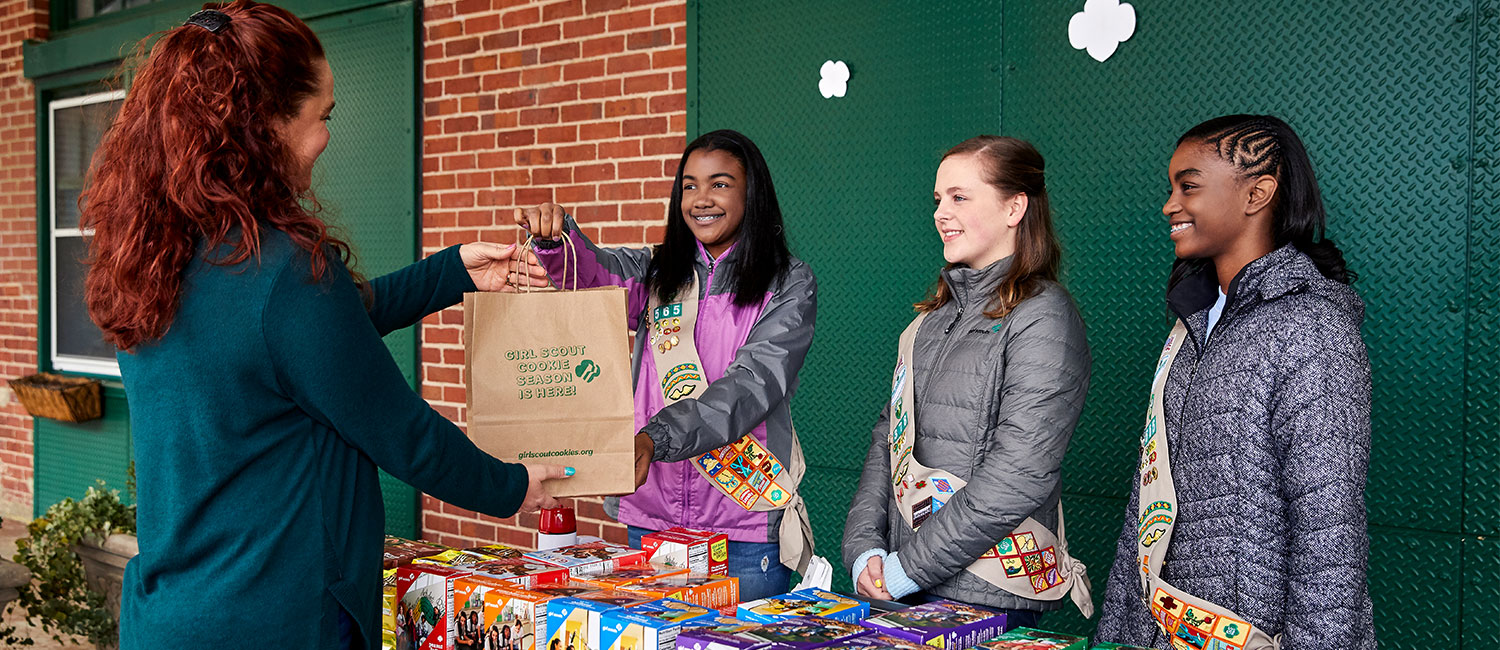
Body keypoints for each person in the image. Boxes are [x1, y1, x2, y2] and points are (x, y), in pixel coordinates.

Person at [79, 3, 570, 648]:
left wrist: (450, 273)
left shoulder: (157, 256)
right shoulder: (283, 275)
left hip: (165, 614)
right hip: (274, 618)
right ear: (264, 127)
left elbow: (302, 342)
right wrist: (513, 486)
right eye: (323, 116)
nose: (326, 137)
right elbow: (400, 431)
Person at [1094, 115, 1374, 649]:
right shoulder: (1192, 324)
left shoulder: (1311, 326)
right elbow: (1147, 503)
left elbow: (1328, 526)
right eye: (1171, 187)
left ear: (1257, 194)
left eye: (1189, 186)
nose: (1170, 205)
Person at [510, 129, 817, 599]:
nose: (701, 199)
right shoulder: (656, 273)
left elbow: (751, 385)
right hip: (651, 513)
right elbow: (594, 273)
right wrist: (557, 240)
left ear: (751, 193)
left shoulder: (787, 281)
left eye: (720, 184)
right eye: (689, 186)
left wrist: (657, 437)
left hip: (743, 521)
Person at [841, 136, 1093, 629]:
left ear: (1014, 207)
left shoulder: (1044, 316)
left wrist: (906, 568)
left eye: (960, 197)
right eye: (938, 200)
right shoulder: (929, 321)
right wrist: (864, 548)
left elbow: (1020, 472)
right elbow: (886, 442)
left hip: (987, 595)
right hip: (903, 587)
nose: (941, 213)